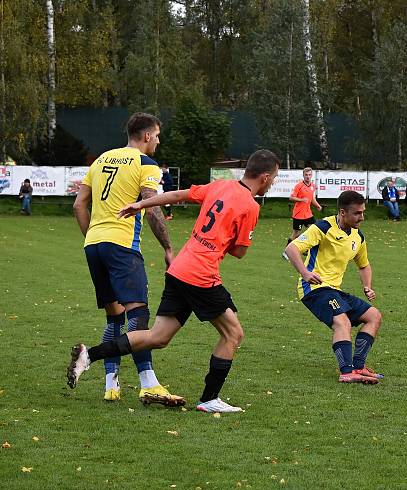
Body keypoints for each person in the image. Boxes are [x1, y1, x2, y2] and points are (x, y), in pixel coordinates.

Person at [67, 149, 280, 413]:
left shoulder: (219, 186)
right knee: (233, 334)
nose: (273, 183)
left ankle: (90, 355)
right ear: (265, 176)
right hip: (201, 275)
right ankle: (209, 399)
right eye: (274, 178)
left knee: (158, 337)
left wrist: (141, 204)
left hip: (180, 269)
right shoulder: (250, 206)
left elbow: (179, 195)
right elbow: (239, 252)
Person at [72, 112, 181, 405]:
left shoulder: (101, 160)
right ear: (146, 136)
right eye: (157, 135)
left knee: (114, 316)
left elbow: (79, 205)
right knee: (138, 316)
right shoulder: (146, 164)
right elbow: (152, 205)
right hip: (122, 246)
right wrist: (168, 247)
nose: (157, 141)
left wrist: (91, 236)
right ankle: (148, 383)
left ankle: (111, 386)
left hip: (94, 244)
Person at [284, 191, 384, 384]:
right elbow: (291, 249)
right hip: (314, 288)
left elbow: (364, 265)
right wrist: (305, 273)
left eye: (363, 213)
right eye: (357, 213)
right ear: (342, 212)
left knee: (374, 316)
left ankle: (358, 366)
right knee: (342, 321)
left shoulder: (358, 236)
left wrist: (367, 286)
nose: (361, 217)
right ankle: (346, 372)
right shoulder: (322, 227)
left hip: (334, 290)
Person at [283, 167, 322, 260]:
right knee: (296, 233)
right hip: (298, 214)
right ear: (303, 175)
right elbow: (291, 198)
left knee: (314, 229)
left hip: (308, 214)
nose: (308, 177)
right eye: (306, 175)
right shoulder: (299, 186)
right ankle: (286, 252)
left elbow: (312, 198)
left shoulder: (312, 186)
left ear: (311, 175)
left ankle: (305, 249)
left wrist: (317, 205)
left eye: (309, 175)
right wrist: (301, 199)